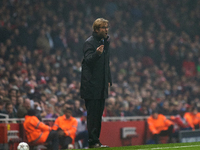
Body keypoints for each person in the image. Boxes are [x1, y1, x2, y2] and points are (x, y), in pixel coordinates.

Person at [80, 18, 112, 148]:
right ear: (96, 29)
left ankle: (96, 141)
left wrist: (109, 79)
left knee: (98, 115)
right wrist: (97, 54)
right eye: (103, 27)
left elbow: (106, 64)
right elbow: (87, 61)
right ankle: (93, 142)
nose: (106, 30)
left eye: (107, 27)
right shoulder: (89, 43)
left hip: (101, 85)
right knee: (93, 115)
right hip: (91, 85)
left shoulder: (104, 42)